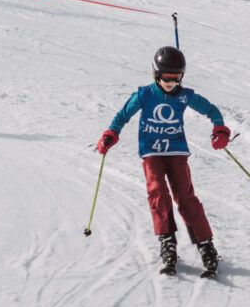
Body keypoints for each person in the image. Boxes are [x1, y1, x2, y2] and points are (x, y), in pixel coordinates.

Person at [96, 46, 231, 275]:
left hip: (176, 151)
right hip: (151, 153)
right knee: (158, 193)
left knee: (186, 197)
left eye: (176, 77)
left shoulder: (184, 96)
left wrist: (220, 129)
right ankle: (167, 241)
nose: (171, 83)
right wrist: (110, 135)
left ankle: (205, 244)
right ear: (156, 74)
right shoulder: (144, 95)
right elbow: (122, 116)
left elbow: (211, 110)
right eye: (167, 77)